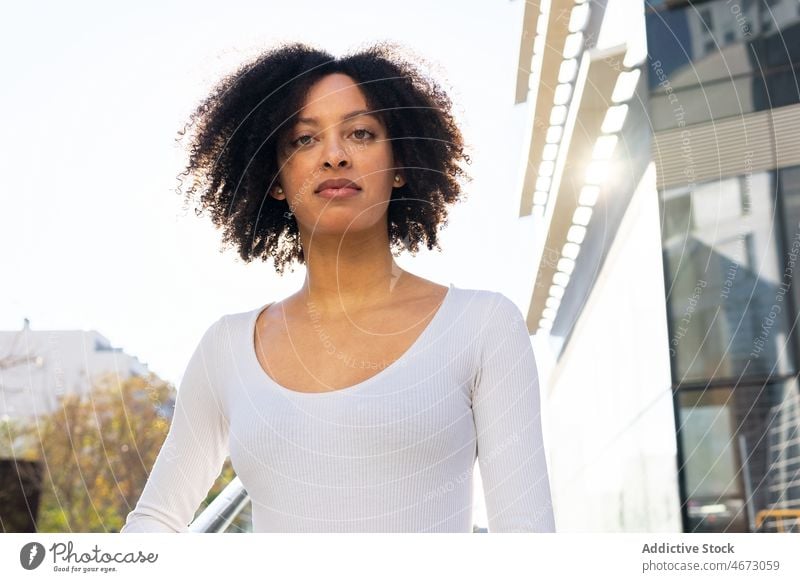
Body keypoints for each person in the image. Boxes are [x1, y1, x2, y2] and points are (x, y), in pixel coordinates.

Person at [120, 41, 555, 533]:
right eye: (304, 139)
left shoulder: (483, 326)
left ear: (400, 165)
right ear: (276, 179)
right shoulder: (226, 349)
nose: (334, 156)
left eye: (361, 133)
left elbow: (527, 535)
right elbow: (155, 523)